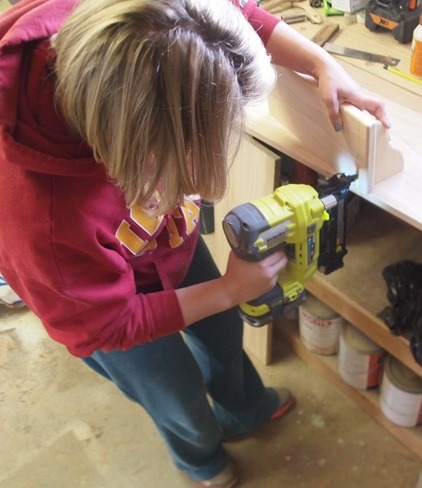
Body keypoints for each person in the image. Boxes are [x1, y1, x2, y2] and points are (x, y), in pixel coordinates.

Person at [0, 0, 389, 486]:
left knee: (224, 333)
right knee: (174, 394)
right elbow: (108, 325)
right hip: (101, 308)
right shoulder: (46, 223)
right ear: (141, 145)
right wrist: (228, 289)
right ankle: (200, 458)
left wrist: (320, 63)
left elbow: (232, 15)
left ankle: (245, 409)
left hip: (164, 245)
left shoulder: (142, 17)